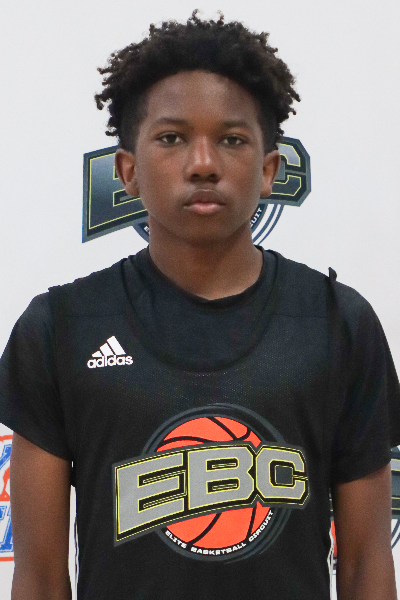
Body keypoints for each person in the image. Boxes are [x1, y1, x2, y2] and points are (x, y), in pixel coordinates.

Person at [1, 11, 399, 600]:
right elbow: (37, 578)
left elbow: (367, 565)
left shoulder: (338, 324)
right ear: (128, 172)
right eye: (172, 138)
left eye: (232, 139)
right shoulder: (59, 329)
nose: (204, 163)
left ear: (269, 170)